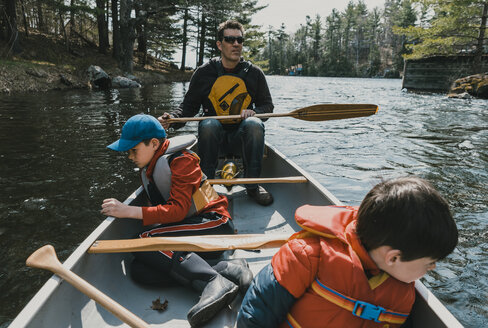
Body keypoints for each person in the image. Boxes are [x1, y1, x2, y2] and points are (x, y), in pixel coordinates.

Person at [236, 176, 459, 328]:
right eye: (429, 262)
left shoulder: (402, 295)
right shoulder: (308, 257)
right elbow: (255, 315)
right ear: (393, 257)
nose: (433, 268)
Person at [100, 114, 252, 327]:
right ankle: (226, 268)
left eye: (133, 150)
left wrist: (128, 211)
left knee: (143, 239)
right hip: (195, 227)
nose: (130, 157)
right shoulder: (152, 165)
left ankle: (213, 281)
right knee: (140, 271)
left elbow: (178, 211)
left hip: (215, 224)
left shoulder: (182, 160)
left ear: (154, 144)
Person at [159, 20, 274, 206]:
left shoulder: (255, 73)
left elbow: (267, 107)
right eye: (230, 39)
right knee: (209, 123)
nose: (236, 44)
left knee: (254, 124)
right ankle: (206, 185)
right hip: (213, 140)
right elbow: (188, 108)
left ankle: (252, 186)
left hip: (242, 139)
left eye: (239, 40)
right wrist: (171, 120)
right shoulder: (204, 73)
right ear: (220, 45)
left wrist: (255, 111)